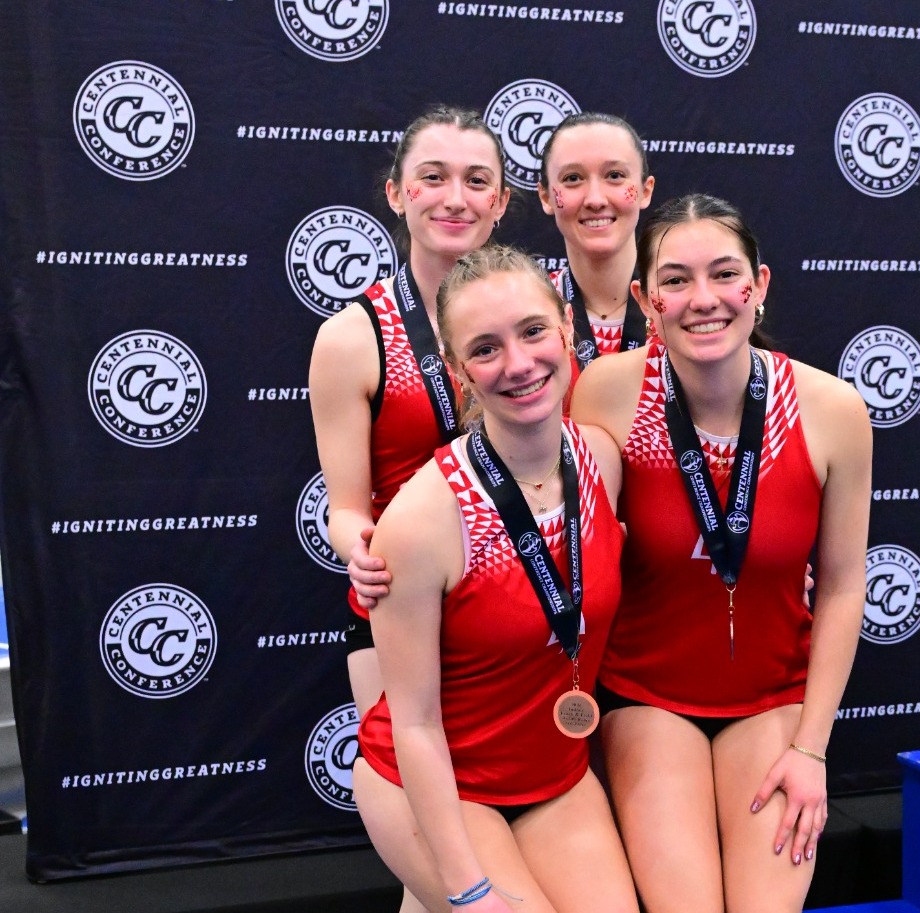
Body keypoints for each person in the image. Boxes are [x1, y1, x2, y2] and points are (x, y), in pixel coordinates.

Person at [570, 193, 872, 913]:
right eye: (675, 280)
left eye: (724, 273)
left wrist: (811, 748)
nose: (702, 299)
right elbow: (564, 535)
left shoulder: (833, 409)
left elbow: (841, 584)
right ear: (644, 299)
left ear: (758, 285)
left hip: (773, 698)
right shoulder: (607, 392)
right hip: (645, 697)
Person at [353, 245, 638, 913]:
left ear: (566, 327)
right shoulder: (421, 521)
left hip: (555, 777)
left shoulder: (601, 458)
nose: (517, 363)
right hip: (437, 785)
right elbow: (415, 725)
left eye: (533, 331)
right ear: (456, 369)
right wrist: (468, 889)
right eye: (484, 348)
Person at [309, 105, 509, 714]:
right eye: (433, 177)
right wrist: (360, 548)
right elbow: (345, 508)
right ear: (397, 194)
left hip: (522, 603)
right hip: (402, 602)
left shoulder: (535, 321)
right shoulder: (350, 338)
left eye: (477, 181)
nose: (456, 199)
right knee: (409, 771)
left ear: (500, 203)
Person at [536, 112, 655, 370]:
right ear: (545, 196)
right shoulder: (527, 309)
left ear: (645, 191)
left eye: (614, 175)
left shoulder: (678, 305)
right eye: (572, 178)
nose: (595, 200)